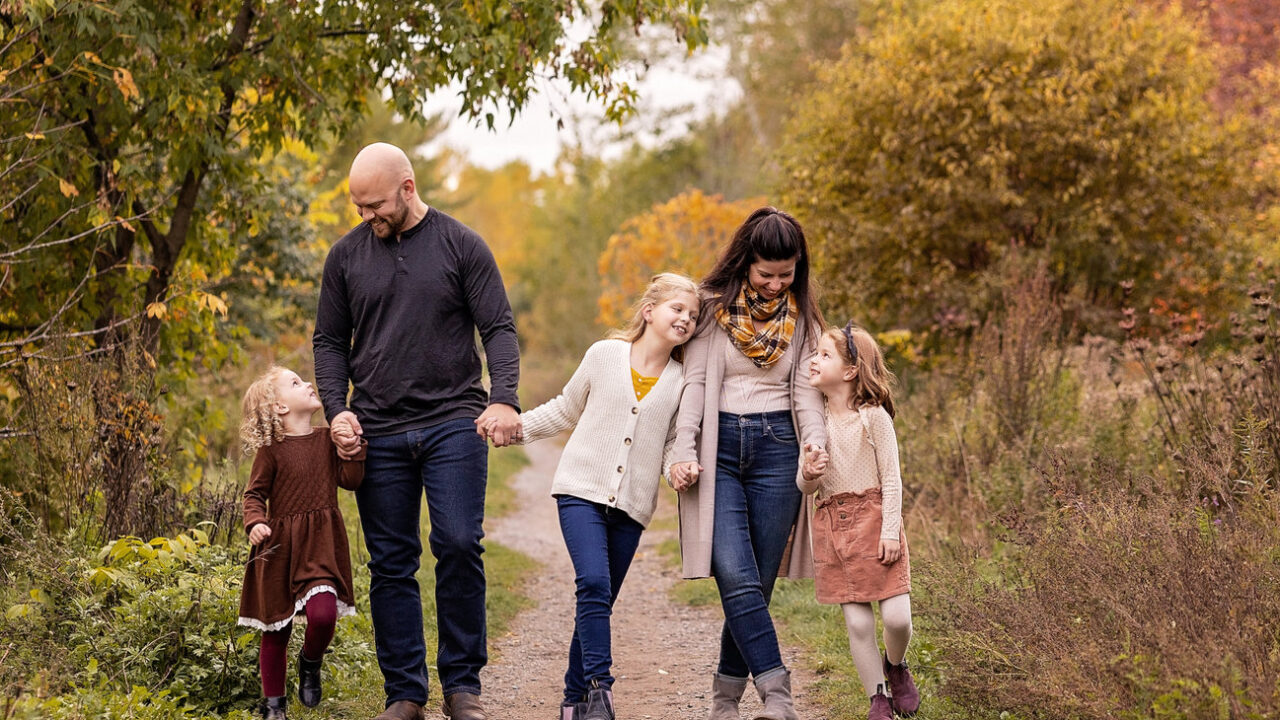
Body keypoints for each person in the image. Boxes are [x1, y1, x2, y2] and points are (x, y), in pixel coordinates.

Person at [312, 142, 521, 720]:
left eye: (375, 204)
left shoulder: (461, 245)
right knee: (390, 562)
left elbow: (498, 328)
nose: (366, 216)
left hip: (454, 418)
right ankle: (405, 694)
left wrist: (503, 399)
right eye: (358, 207)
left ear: (408, 188)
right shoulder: (345, 258)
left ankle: (462, 686)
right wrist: (338, 412)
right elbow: (329, 342)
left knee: (458, 543)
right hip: (376, 427)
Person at [501, 273, 700, 720]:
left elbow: (672, 442)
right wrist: (517, 430)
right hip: (580, 490)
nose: (685, 318)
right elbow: (565, 409)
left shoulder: (683, 380)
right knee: (592, 583)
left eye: (692, 314)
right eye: (677, 309)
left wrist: (677, 468)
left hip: (632, 505)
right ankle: (600, 692)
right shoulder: (605, 355)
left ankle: (572, 703)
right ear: (649, 310)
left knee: (599, 601)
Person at [667, 207, 826, 720]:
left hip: (779, 449)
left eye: (787, 273)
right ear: (745, 263)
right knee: (734, 574)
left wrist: (815, 445)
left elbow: (806, 395)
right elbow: (693, 385)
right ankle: (778, 696)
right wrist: (683, 448)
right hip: (719, 451)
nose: (778, 284)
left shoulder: (804, 319)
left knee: (755, 583)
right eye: (766, 274)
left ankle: (724, 703)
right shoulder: (711, 310)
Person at [800, 322, 920, 719]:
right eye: (814, 353)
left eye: (824, 355)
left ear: (850, 371)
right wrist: (809, 472)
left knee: (898, 619)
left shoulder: (873, 418)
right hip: (834, 527)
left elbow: (891, 478)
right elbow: (804, 487)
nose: (814, 360)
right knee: (858, 624)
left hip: (876, 522)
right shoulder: (812, 420)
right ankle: (878, 697)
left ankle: (896, 665)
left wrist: (890, 531)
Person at [237, 366, 365, 720]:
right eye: (295, 383)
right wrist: (256, 523)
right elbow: (254, 495)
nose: (308, 383)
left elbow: (350, 480)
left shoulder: (327, 440)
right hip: (279, 549)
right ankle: (273, 706)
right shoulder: (271, 450)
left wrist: (353, 450)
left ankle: (310, 661)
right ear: (279, 407)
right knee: (276, 629)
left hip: (319, 546)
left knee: (323, 614)